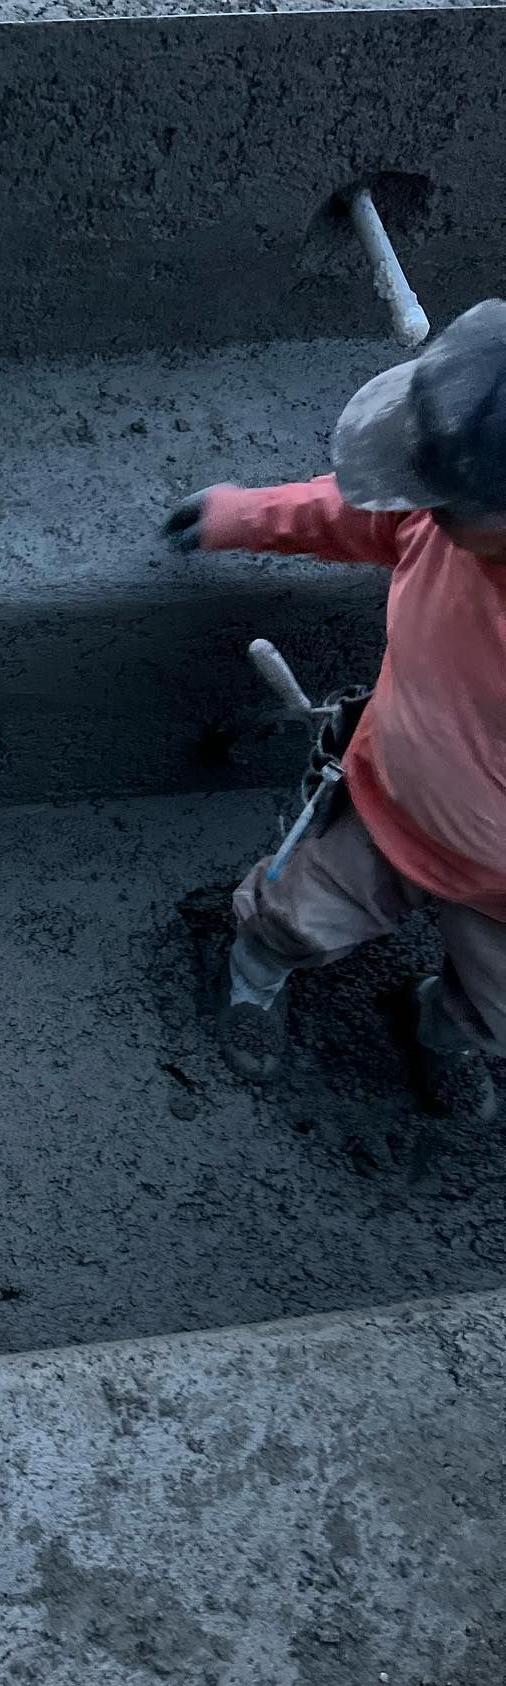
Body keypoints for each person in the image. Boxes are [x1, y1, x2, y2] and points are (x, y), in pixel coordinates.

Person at [163, 299, 506, 1122]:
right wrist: (241, 515)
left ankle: (445, 1029)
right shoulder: (438, 523)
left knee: (497, 1010)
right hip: (386, 809)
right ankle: (253, 977)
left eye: (450, 493)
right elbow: (355, 515)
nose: (427, 503)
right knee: (294, 915)